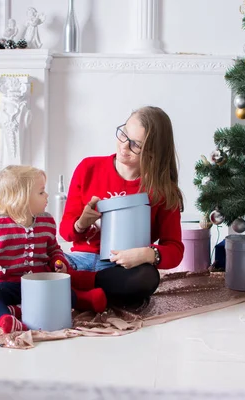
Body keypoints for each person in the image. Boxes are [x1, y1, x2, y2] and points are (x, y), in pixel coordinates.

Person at [59, 106, 185, 308]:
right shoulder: (88, 168)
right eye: (124, 134)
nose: (124, 146)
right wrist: (81, 223)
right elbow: (65, 232)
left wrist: (147, 254)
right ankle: (89, 294)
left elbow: (175, 250)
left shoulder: (162, 190)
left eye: (136, 144)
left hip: (121, 268)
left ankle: (73, 288)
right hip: (79, 261)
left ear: (153, 152)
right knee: (40, 263)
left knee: (147, 278)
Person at [0, 165, 106, 333]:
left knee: (64, 292)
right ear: (21, 198)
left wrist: (58, 261)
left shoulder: (46, 222)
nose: (47, 195)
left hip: (41, 284)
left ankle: (83, 299)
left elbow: (54, 249)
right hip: (7, 285)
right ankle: (6, 318)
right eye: (41, 192)